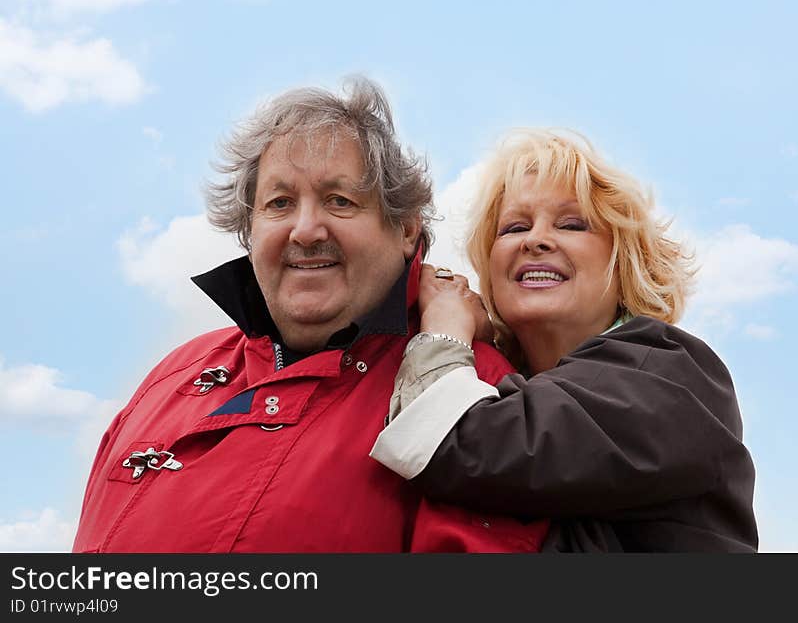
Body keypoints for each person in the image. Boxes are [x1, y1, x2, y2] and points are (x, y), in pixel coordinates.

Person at [72, 78, 547, 552]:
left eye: (339, 200)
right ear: (249, 230)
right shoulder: (171, 376)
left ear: (405, 229)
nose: (304, 230)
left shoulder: (472, 390)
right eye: (279, 203)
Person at [371, 128, 759, 552]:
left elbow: (458, 443)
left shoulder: (669, 369)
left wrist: (444, 328)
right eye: (514, 226)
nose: (535, 239)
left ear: (623, 262)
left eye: (572, 224)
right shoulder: (508, 381)